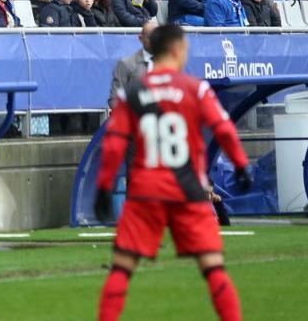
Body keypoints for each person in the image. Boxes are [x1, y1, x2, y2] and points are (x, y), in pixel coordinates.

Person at [95, 23, 252, 321]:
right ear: (178, 50)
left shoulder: (136, 92)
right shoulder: (195, 88)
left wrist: (104, 186)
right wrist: (242, 164)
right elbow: (224, 129)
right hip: (188, 191)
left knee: (121, 270)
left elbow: (115, 143)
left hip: (145, 191)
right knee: (214, 269)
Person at [108, 19, 158, 107]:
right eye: (151, 37)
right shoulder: (126, 64)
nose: (156, 41)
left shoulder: (170, 64)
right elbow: (115, 100)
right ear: (140, 38)